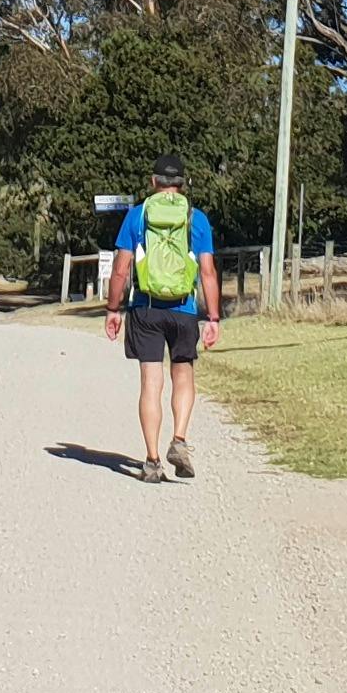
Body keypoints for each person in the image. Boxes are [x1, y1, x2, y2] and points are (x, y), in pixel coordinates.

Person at [100, 160, 220, 481]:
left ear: (153, 181)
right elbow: (207, 272)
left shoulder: (137, 215)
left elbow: (121, 269)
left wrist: (113, 310)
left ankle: (152, 461)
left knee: (150, 384)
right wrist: (213, 317)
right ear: (184, 182)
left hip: (146, 308)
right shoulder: (197, 219)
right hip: (183, 310)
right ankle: (179, 439)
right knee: (183, 375)